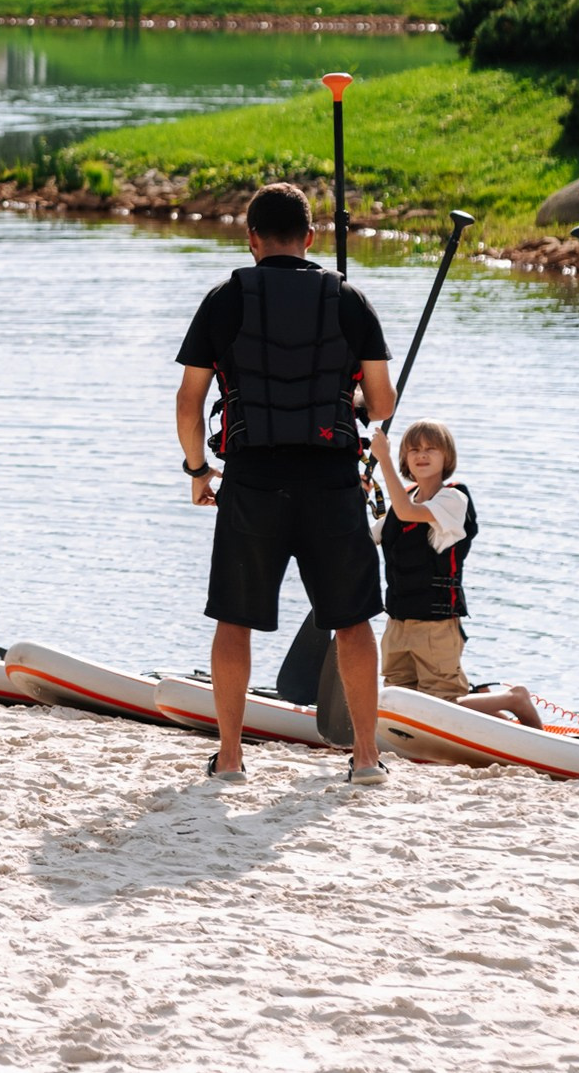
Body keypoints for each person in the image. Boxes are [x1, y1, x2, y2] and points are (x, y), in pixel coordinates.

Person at [174, 182, 395, 784]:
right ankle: (368, 758)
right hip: (332, 482)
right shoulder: (349, 299)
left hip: (252, 481)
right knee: (351, 621)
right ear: (312, 237)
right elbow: (379, 403)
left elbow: (189, 402)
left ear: (250, 239)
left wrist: (198, 471)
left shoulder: (224, 298)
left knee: (234, 619)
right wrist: (341, 394)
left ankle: (231, 757)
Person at [371, 419, 543, 726]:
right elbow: (366, 537)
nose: (421, 455)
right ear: (405, 458)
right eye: (414, 450)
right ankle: (496, 716)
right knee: (398, 699)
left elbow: (412, 515)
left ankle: (512, 698)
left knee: (440, 705)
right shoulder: (404, 499)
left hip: (436, 625)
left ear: (446, 457)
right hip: (397, 622)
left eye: (430, 449)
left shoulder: (453, 498)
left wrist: (382, 458)